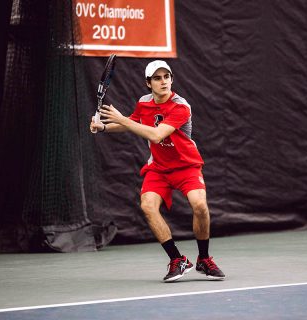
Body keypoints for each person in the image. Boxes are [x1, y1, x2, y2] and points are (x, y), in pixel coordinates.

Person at [90, 60, 225, 282]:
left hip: (186, 166)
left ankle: (203, 258)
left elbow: (156, 135)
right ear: (148, 83)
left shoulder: (181, 106)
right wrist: (104, 127)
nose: (163, 82)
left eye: (166, 77)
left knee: (199, 205)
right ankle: (177, 260)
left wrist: (121, 119)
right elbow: (131, 123)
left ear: (171, 79)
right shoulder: (144, 103)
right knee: (147, 206)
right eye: (157, 78)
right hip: (159, 167)